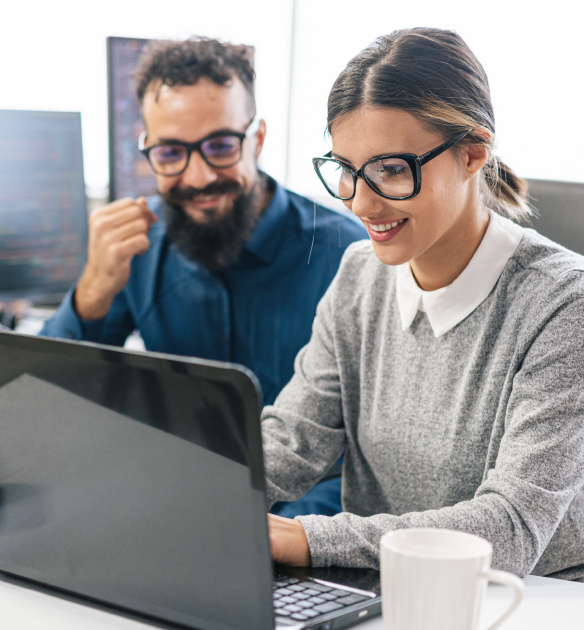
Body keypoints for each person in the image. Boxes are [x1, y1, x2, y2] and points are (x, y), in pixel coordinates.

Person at [263, 27, 584, 581]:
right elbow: (293, 440)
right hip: (379, 591)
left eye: (391, 170)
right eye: (346, 169)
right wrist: (183, 496)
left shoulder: (563, 304)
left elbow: (509, 528)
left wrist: (310, 539)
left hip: (523, 601)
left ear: (471, 154)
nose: (361, 202)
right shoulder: (360, 276)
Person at [40, 38, 367, 517]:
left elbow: (366, 458)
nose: (196, 177)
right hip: (173, 514)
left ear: (256, 141)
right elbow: (47, 401)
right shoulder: (138, 245)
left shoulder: (345, 254)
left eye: (219, 146)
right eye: (171, 153)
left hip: (306, 535)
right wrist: (90, 293)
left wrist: (264, 535)